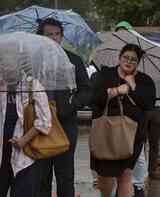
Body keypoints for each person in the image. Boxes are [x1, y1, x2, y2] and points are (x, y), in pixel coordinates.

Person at [91, 44, 156, 197]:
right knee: (105, 176)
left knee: (126, 175)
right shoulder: (106, 74)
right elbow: (94, 99)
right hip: (106, 133)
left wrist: (133, 86)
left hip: (132, 135)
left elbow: (148, 104)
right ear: (119, 57)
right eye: (126, 57)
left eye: (133, 60)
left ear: (138, 63)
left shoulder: (144, 80)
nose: (129, 61)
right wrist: (114, 91)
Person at [36, 18, 91, 197]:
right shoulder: (33, 61)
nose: (53, 38)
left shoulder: (73, 60)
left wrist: (70, 105)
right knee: (41, 176)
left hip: (66, 124)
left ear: (62, 36)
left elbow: (86, 91)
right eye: (49, 34)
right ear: (41, 36)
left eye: (57, 34)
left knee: (65, 175)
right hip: (39, 125)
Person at [0, 78, 51, 197]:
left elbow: (45, 121)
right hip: (2, 155)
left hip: (24, 157)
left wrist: (24, 140)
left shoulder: (33, 86)